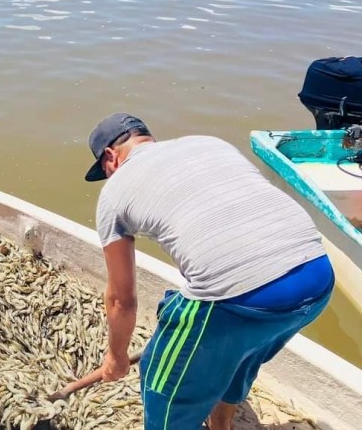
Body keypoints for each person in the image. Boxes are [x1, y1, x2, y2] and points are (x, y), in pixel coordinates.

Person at [82, 113, 334, 430]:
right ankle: (221, 426)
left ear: (109, 157)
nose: (107, 177)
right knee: (239, 355)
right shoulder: (208, 143)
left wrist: (116, 356)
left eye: (104, 171)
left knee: (159, 378)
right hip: (317, 279)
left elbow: (121, 300)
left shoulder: (115, 190)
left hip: (242, 300)